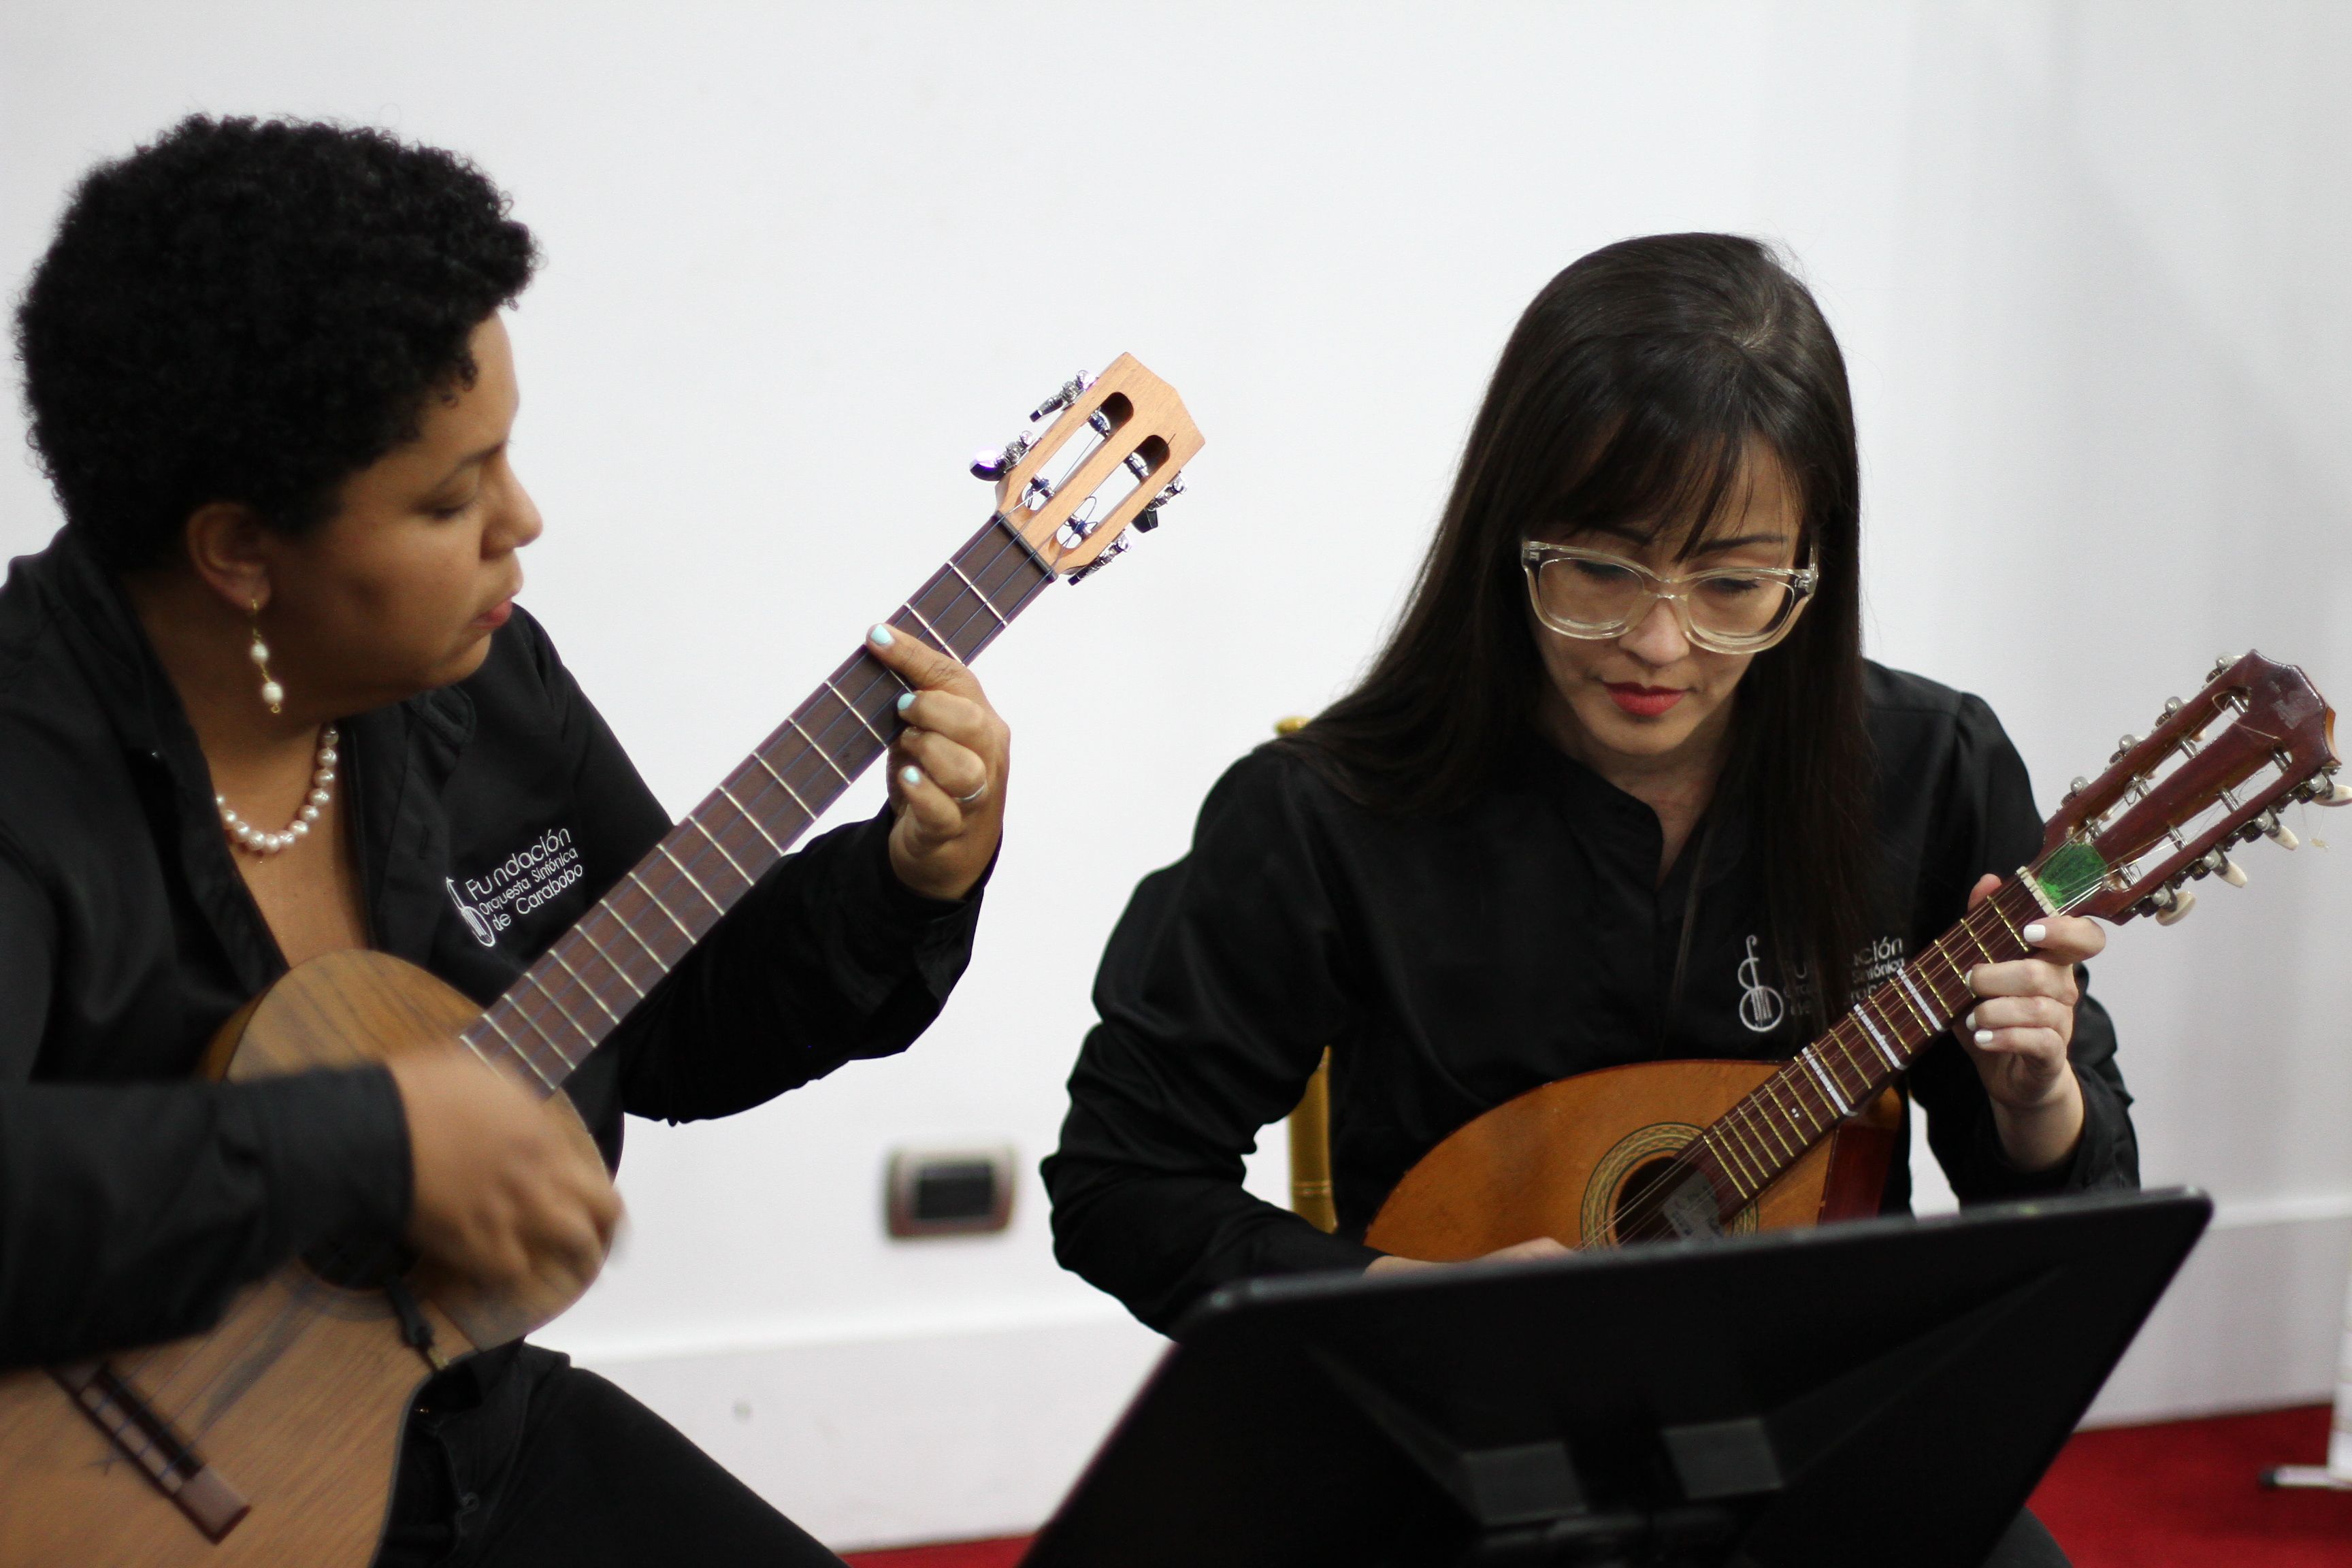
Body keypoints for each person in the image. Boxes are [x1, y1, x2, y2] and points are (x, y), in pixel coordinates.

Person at [0, 117, 1010, 1565]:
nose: (520, 523)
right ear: (239, 551)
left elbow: (671, 1026)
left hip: (471, 1440)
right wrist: (372, 1140)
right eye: (446, 496)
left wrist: (911, 878)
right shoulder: (28, 772)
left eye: (506, 460)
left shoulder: (481, 683)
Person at [1043, 233, 2134, 1567]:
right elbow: (1120, 1178)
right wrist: (1415, 1306)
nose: (1659, 645)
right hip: (1469, 1455)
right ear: (1513, 534)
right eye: (1603, 570)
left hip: (1806, 1428)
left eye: (1734, 584)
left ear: (1814, 566)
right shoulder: (1326, 815)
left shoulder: (1930, 772)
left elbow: (2061, 1228)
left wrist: (2038, 1103)